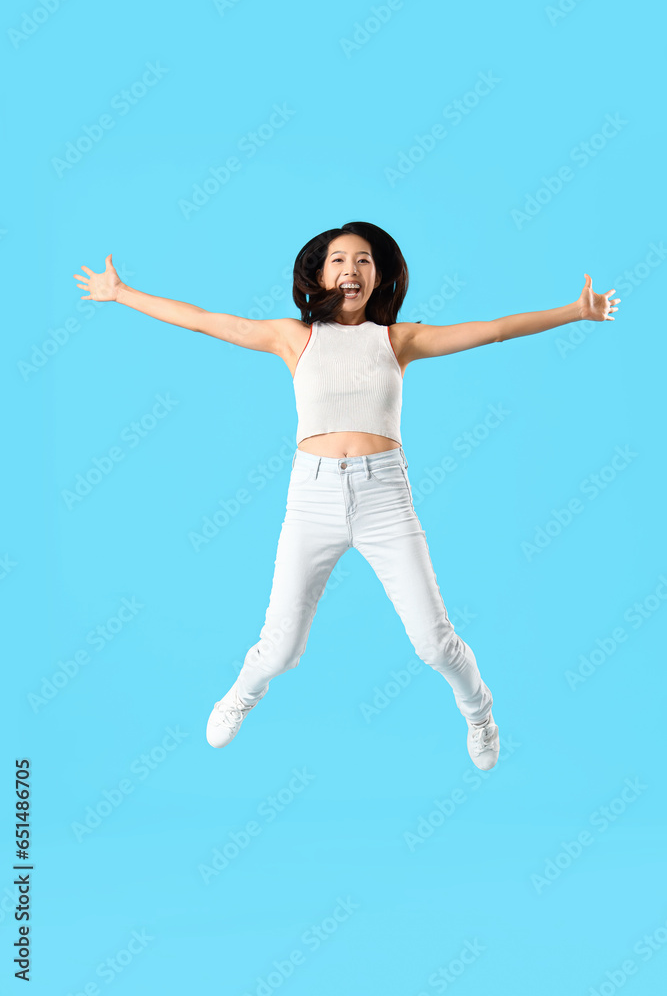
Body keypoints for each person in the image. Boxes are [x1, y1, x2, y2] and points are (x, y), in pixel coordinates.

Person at [74, 221, 620, 770]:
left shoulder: (398, 340)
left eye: (363, 260)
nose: (350, 270)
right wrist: (120, 293)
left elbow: (494, 329)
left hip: (385, 496)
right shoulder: (295, 337)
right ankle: (240, 695)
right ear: (319, 274)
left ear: (378, 276)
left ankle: (479, 713)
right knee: (281, 647)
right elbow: (210, 323)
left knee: (433, 642)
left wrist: (576, 312)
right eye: (338, 261)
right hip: (312, 498)